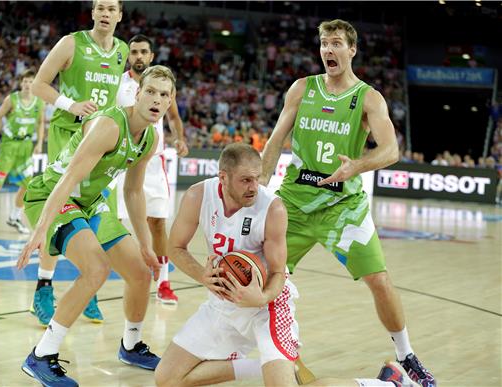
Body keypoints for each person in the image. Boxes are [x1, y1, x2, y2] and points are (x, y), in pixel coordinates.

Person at [259, 19, 435, 387]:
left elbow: (391, 150)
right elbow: (276, 139)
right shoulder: (302, 89)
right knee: (262, 275)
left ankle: (406, 356)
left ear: (352, 50)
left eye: (336, 43)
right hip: (294, 200)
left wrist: (358, 165)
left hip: (343, 206)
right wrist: (261, 183)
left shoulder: (368, 97)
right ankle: (284, 353)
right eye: (324, 43)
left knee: (380, 280)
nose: (328, 50)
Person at [156, 143, 419, 387]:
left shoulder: (272, 209)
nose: (254, 186)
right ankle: (264, 368)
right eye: (245, 180)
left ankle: (387, 382)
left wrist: (260, 297)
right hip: (223, 303)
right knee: (166, 379)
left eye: (257, 178)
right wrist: (202, 275)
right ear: (223, 177)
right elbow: (175, 247)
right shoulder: (198, 196)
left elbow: (280, 273)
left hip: (268, 307)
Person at [17, 65, 175, 386]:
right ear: (137, 93)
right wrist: (38, 230)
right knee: (96, 269)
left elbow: (132, 191)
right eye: (150, 91)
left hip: (91, 203)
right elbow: (68, 178)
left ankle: (131, 344)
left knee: (140, 272)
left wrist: (145, 244)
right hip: (53, 194)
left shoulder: (150, 137)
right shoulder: (109, 125)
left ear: (170, 102)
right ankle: (41, 355)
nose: (156, 99)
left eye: (164, 94)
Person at [29, 0, 129, 325]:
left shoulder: (122, 51)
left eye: (111, 8)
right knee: (61, 212)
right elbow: (38, 85)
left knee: (97, 213)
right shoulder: (71, 42)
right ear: (93, 12)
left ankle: (88, 285)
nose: (104, 13)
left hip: (100, 141)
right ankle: (43, 286)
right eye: (100, 7)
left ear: (119, 15)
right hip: (66, 135)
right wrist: (71, 104)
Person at [109, 34, 189, 304]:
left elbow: (175, 117)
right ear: (128, 55)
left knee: (157, 223)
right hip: (121, 163)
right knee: (114, 224)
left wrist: (179, 137)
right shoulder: (118, 84)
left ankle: (164, 282)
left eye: (144, 51)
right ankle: (115, 278)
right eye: (134, 52)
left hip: (154, 165)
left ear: (152, 55)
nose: (139, 56)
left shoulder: (162, 85)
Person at [0, 70, 45, 235]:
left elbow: (41, 122)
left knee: (27, 185)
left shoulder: (39, 102)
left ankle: (14, 217)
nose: (28, 85)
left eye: (31, 81)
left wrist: (39, 143)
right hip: (9, 145)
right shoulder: (12, 99)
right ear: (21, 83)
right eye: (25, 81)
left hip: (26, 147)